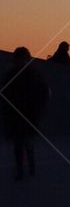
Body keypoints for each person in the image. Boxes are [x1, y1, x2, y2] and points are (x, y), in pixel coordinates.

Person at [0, 47, 49, 180]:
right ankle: (25, 168)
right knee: (22, 141)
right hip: (23, 113)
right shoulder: (32, 74)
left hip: (24, 113)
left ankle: (24, 169)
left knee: (22, 141)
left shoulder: (16, 74)